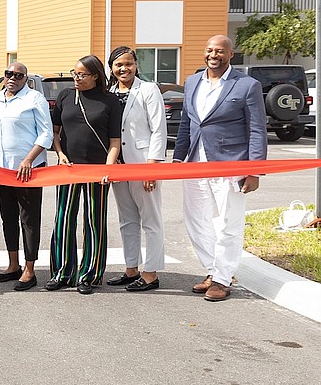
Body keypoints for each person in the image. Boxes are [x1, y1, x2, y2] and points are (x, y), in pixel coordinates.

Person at [173, 35, 266, 302]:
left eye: (220, 51)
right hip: (194, 162)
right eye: (210, 50)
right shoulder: (192, 82)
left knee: (229, 222)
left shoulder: (247, 85)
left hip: (232, 162)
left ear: (230, 54)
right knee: (195, 219)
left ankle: (223, 280)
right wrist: (179, 158)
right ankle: (213, 270)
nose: (214, 55)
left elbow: (257, 129)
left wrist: (255, 170)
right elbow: (187, 124)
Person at [48, 55, 122, 295]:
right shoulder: (66, 96)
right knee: (63, 219)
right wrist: (59, 154)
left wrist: (108, 169)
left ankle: (90, 274)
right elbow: (56, 133)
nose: (76, 78)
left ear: (95, 76)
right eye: (74, 73)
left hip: (97, 171)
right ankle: (62, 272)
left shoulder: (110, 101)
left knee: (93, 222)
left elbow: (114, 142)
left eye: (81, 74)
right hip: (68, 168)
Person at [0, 62, 53, 291]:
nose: (13, 78)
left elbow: (46, 133)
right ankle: (13, 264)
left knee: (29, 220)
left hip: (28, 171)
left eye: (18, 75)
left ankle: (29, 270)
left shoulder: (34, 99)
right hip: (2, 171)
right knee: (8, 218)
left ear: (25, 78)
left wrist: (29, 159)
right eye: (9, 74)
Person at [106, 46, 168, 293]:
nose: (124, 68)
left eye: (128, 64)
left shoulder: (148, 90)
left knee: (150, 220)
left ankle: (151, 273)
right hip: (119, 166)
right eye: (118, 64)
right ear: (111, 67)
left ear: (136, 65)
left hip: (143, 163)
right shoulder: (109, 93)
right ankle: (131, 268)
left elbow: (159, 129)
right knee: (127, 219)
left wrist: (152, 167)